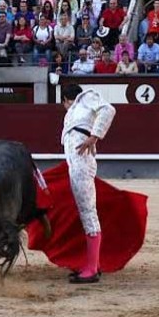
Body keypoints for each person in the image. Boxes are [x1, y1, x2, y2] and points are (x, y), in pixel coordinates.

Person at [60, 84, 115, 284]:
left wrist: (94, 136)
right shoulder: (73, 113)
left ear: (66, 99)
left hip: (82, 163)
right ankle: (93, 265)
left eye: (64, 103)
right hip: (76, 164)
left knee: (88, 212)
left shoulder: (85, 97)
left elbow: (109, 109)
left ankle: (91, 269)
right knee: (86, 212)